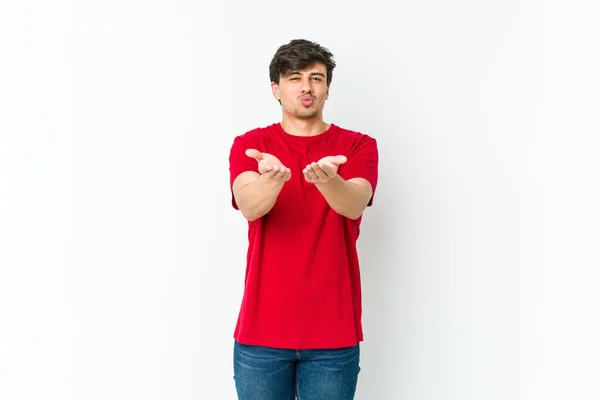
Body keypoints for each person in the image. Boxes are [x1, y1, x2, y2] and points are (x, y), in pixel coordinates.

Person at [228, 39, 379, 400]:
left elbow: (354, 203)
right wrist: (271, 180)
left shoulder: (358, 145)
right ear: (276, 89)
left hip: (332, 336)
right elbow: (250, 205)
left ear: (327, 88)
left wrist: (330, 182)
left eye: (316, 77)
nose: (306, 87)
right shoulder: (251, 145)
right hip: (261, 335)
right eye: (295, 78)